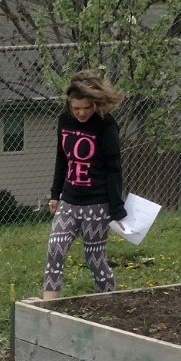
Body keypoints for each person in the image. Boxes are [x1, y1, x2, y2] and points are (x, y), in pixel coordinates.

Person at [42, 70, 128, 299]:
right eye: (76, 107)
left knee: (94, 257)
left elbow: (113, 169)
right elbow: (62, 158)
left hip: (97, 204)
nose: (81, 112)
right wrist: (55, 193)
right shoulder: (64, 120)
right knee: (55, 250)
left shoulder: (106, 125)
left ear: (96, 104)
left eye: (86, 108)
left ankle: (112, 303)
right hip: (69, 201)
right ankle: (48, 311)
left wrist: (117, 208)